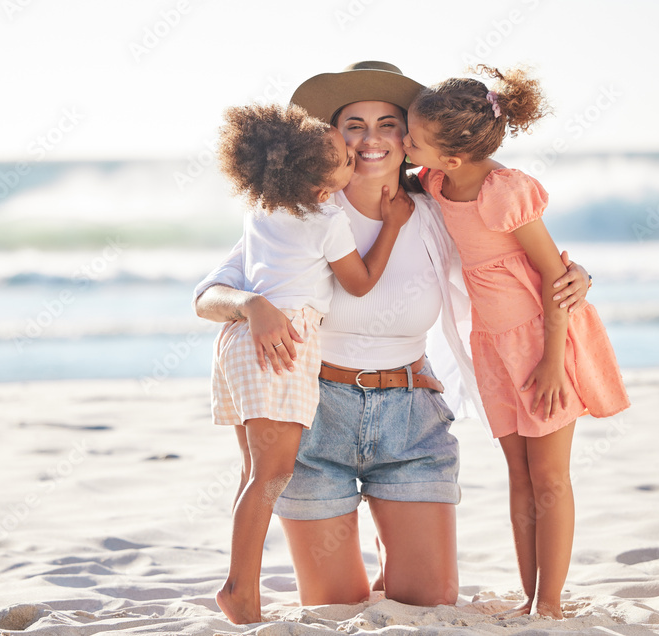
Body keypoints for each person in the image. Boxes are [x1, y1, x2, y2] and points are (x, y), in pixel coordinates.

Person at [194, 62, 592, 612]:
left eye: (388, 123)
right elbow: (208, 295)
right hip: (317, 421)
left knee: (427, 603)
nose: (372, 138)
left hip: (410, 422)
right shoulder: (299, 210)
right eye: (354, 123)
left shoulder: (436, 210)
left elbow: (510, 250)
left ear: (411, 138)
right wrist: (249, 305)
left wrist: (574, 275)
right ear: (330, 134)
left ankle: (397, 548)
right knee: (334, 607)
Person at [403, 66, 630, 618]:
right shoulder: (435, 181)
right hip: (491, 346)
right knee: (519, 475)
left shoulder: (505, 192)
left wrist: (555, 363)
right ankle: (530, 596)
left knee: (549, 475)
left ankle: (549, 604)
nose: (403, 144)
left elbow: (557, 280)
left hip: (542, 342)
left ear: (453, 157)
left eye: (411, 138)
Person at [209, 102, 413, 624]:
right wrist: (391, 225)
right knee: (272, 474)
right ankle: (239, 591)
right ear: (322, 185)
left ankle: (241, 584)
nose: (354, 159)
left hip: (238, 343)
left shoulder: (261, 211)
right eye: (345, 158)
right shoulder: (327, 217)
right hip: (285, 342)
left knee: (256, 472)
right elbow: (360, 283)